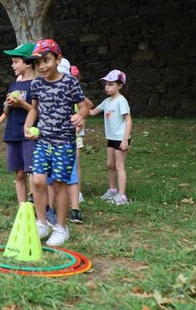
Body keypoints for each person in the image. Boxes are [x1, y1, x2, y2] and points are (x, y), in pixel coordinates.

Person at [23, 39, 89, 247]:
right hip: (43, 140)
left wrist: (80, 116)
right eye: (38, 63)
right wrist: (27, 126)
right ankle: (42, 223)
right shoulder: (36, 84)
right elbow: (34, 109)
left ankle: (61, 227)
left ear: (58, 59)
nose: (42, 66)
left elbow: (84, 106)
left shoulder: (70, 82)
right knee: (37, 181)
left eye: (46, 60)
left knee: (59, 185)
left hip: (64, 142)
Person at [0, 42, 38, 204]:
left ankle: (38, 206)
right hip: (13, 132)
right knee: (19, 173)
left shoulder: (37, 85)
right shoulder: (14, 85)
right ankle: (23, 208)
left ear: (27, 63)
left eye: (16, 62)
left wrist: (21, 103)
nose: (12, 65)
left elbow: (37, 111)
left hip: (29, 134)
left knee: (34, 173)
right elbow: (7, 110)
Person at [90, 70, 132, 205]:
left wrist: (125, 139)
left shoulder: (121, 101)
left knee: (119, 165)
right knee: (110, 165)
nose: (107, 87)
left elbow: (128, 120)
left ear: (119, 86)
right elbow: (92, 112)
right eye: (106, 84)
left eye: (111, 84)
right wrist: (80, 99)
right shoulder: (107, 101)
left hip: (121, 138)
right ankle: (113, 190)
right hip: (111, 138)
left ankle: (122, 197)